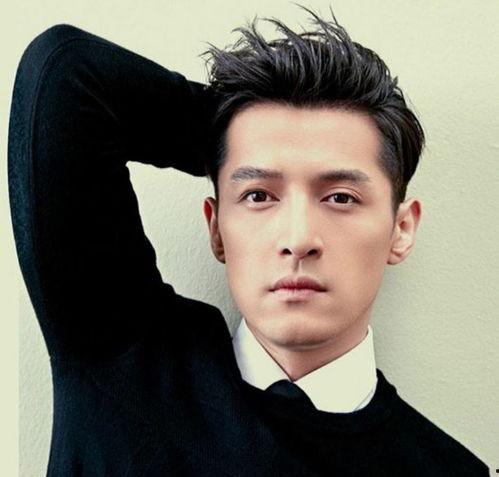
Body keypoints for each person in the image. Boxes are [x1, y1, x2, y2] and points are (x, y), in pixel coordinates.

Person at [8, 4, 489, 476]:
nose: (298, 239)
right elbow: (67, 72)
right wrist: (237, 129)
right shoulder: (123, 357)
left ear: (401, 229)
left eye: (340, 198)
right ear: (216, 228)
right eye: (259, 195)